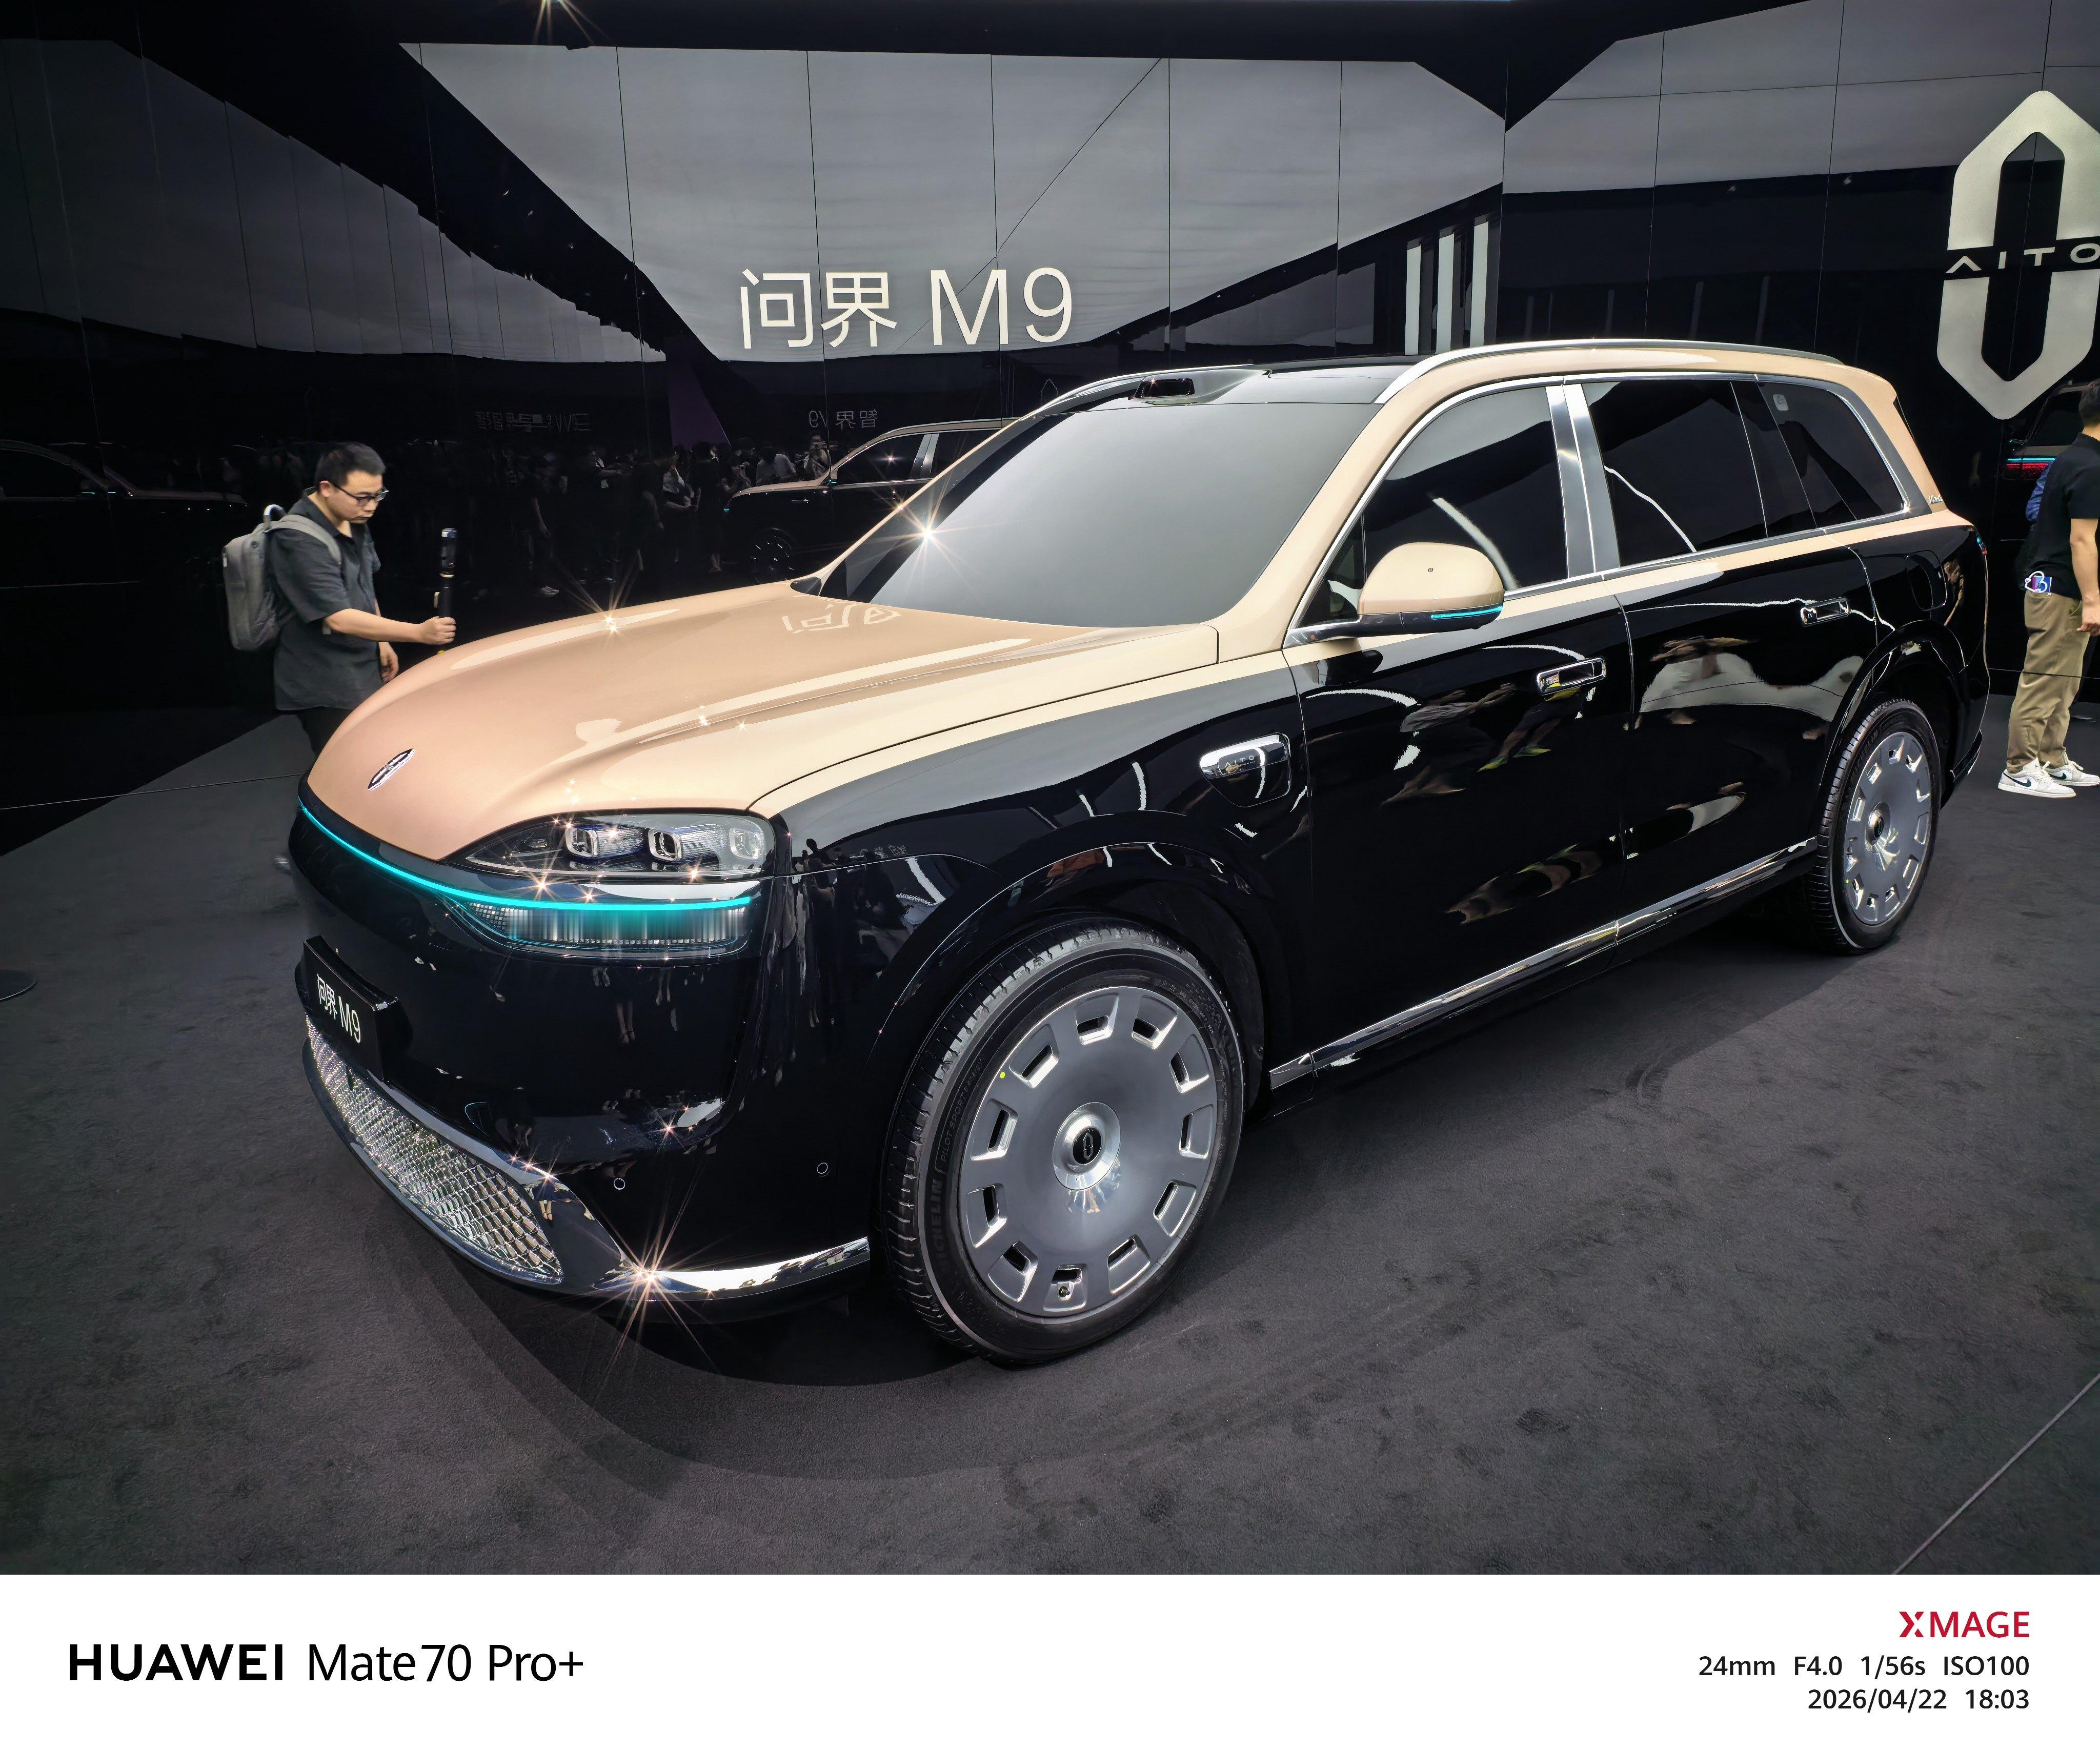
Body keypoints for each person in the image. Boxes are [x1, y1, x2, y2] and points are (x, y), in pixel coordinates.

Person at [270, 442, 455, 756]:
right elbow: (338, 618)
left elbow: (364, 585)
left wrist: (382, 641)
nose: (371, 506)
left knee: (375, 755)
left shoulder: (351, 518)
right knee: (345, 765)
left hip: (361, 666)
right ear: (327, 488)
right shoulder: (297, 538)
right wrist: (418, 633)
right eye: (362, 497)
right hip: (325, 680)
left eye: (378, 495)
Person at [2003, 381, 2100, 797]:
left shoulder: (2073, 458)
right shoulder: (2090, 467)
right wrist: (2093, 600)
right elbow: (2082, 540)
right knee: (2044, 681)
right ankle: (2019, 768)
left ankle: (2051, 758)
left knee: (2064, 682)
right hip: (2061, 588)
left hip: (2064, 588)